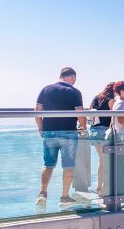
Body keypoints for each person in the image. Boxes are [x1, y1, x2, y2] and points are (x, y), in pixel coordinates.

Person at [35, 66, 88, 206]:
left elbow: (38, 110)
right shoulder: (75, 92)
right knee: (68, 166)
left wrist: (40, 128)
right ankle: (64, 197)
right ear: (73, 77)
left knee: (48, 164)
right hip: (68, 133)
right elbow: (80, 113)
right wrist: (83, 128)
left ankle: (42, 194)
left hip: (49, 132)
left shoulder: (46, 89)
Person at [89, 81, 116, 196]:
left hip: (93, 131)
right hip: (104, 132)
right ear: (114, 90)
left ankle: (99, 188)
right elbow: (116, 118)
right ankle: (103, 188)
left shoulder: (96, 98)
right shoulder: (112, 101)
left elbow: (89, 112)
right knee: (106, 161)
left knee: (101, 160)